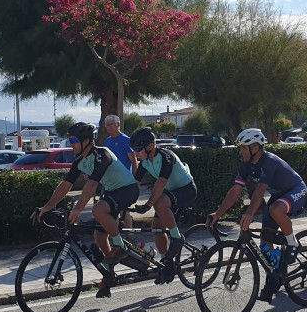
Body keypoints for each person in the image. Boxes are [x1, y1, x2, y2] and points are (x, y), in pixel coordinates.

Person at [36, 122, 139, 297]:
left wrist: (77, 209)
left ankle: (120, 248)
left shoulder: (102, 155)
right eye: (69, 140)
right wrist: (46, 207)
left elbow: (91, 184)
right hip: (113, 193)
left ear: (87, 141)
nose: (71, 144)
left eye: (74, 140)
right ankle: (109, 273)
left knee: (97, 210)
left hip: (128, 190)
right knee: (99, 237)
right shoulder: (80, 162)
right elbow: (65, 185)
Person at [208, 128, 307, 303]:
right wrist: (218, 213)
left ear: (254, 148)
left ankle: (293, 243)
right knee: (265, 242)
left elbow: (260, 190)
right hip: (279, 195)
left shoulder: (268, 161)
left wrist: (249, 214)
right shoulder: (246, 165)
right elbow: (235, 191)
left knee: (275, 209)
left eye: (243, 148)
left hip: (296, 189)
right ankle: (277, 275)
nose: (240, 151)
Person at [130, 127, 196, 284]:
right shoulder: (145, 162)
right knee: (157, 229)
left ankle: (177, 237)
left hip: (186, 190)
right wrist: (122, 202)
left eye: (138, 149)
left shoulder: (166, 156)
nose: (136, 153)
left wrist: (148, 204)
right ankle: (167, 264)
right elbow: (134, 184)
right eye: (134, 150)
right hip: (171, 193)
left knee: (159, 202)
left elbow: (161, 183)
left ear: (150, 147)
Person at [104, 114, 139, 229]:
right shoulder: (108, 141)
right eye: (106, 125)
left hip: (124, 182)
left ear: (118, 125)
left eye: (111, 125)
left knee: (124, 211)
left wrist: (135, 179)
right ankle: (116, 236)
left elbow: (134, 161)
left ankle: (129, 233)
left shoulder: (126, 140)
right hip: (111, 182)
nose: (109, 127)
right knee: (112, 210)